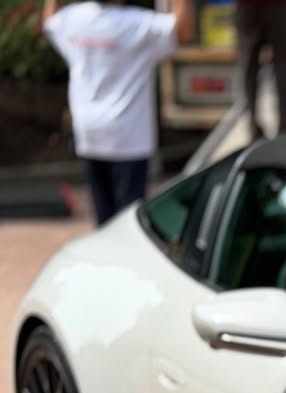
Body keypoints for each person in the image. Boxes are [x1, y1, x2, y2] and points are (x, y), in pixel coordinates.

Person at [42, 0, 194, 226]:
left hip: (89, 132)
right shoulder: (138, 25)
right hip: (128, 137)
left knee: (104, 218)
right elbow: (183, 31)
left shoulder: (73, 20)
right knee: (127, 222)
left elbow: (49, 22)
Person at [236, 0, 286, 143]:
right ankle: (284, 128)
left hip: (248, 6)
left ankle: (253, 127)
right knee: (283, 64)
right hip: (278, 6)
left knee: (249, 66)